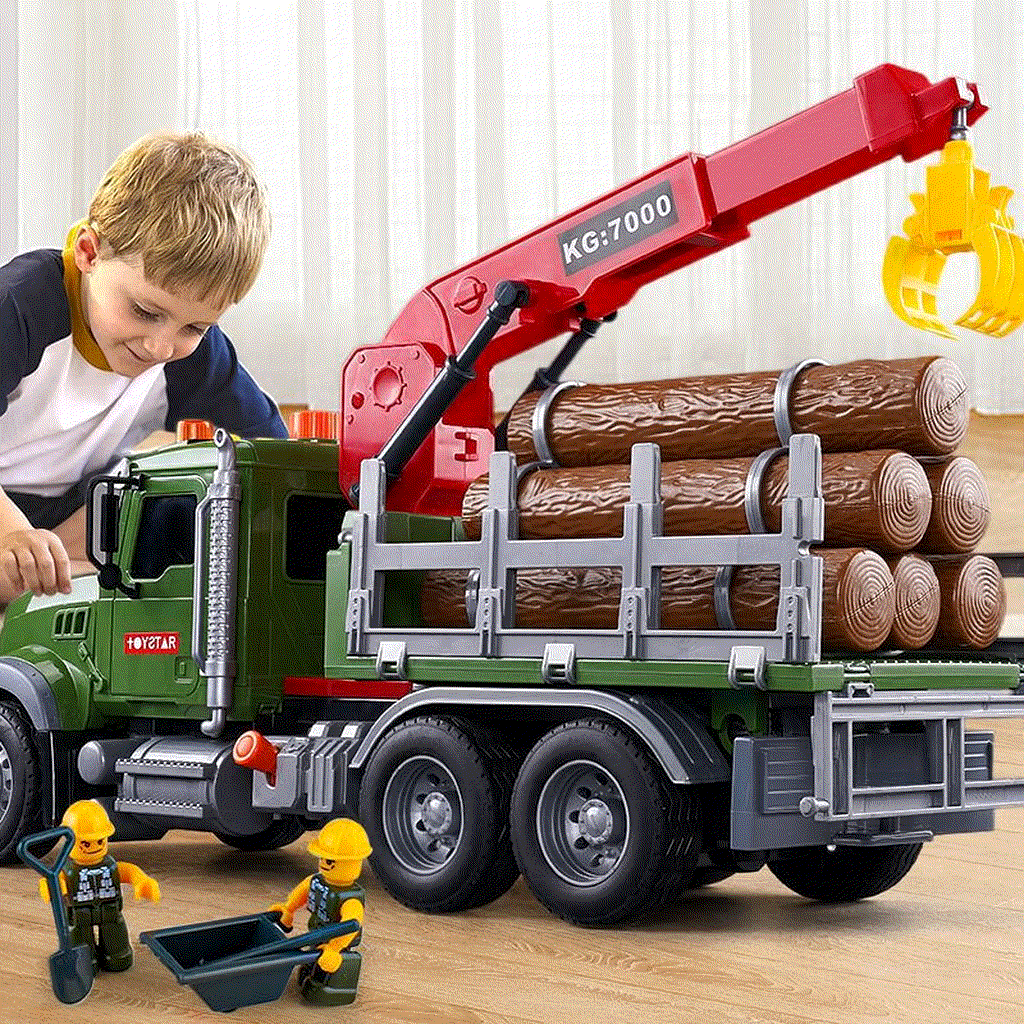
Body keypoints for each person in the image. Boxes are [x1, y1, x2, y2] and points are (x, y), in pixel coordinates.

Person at [0, 132, 287, 607]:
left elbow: (272, 450)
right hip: (8, 514)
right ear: (89, 253)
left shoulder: (192, 356)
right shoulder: (21, 304)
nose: (161, 346)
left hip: (65, 517)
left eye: (194, 326)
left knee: (164, 508)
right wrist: (11, 532)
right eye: (145, 311)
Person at [39, 800, 161, 974]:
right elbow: (53, 880)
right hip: (80, 917)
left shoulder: (110, 865)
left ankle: (117, 956)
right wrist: (51, 886)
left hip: (110, 912)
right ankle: (85, 962)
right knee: (80, 941)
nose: (94, 847)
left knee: (116, 942)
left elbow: (128, 870)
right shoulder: (67, 869)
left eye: (99, 841)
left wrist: (141, 881)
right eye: (86, 843)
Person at [269, 818, 371, 1006]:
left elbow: (352, 925)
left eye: (329, 860)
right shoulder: (317, 881)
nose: (323, 863)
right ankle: (309, 974)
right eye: (322, 857)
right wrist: (288, 909)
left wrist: (335, 948)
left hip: (336, 945)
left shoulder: (350, 899)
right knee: (310, 963)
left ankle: (323, 986)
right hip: (316, 936)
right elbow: (302, 892)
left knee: (328, 968)